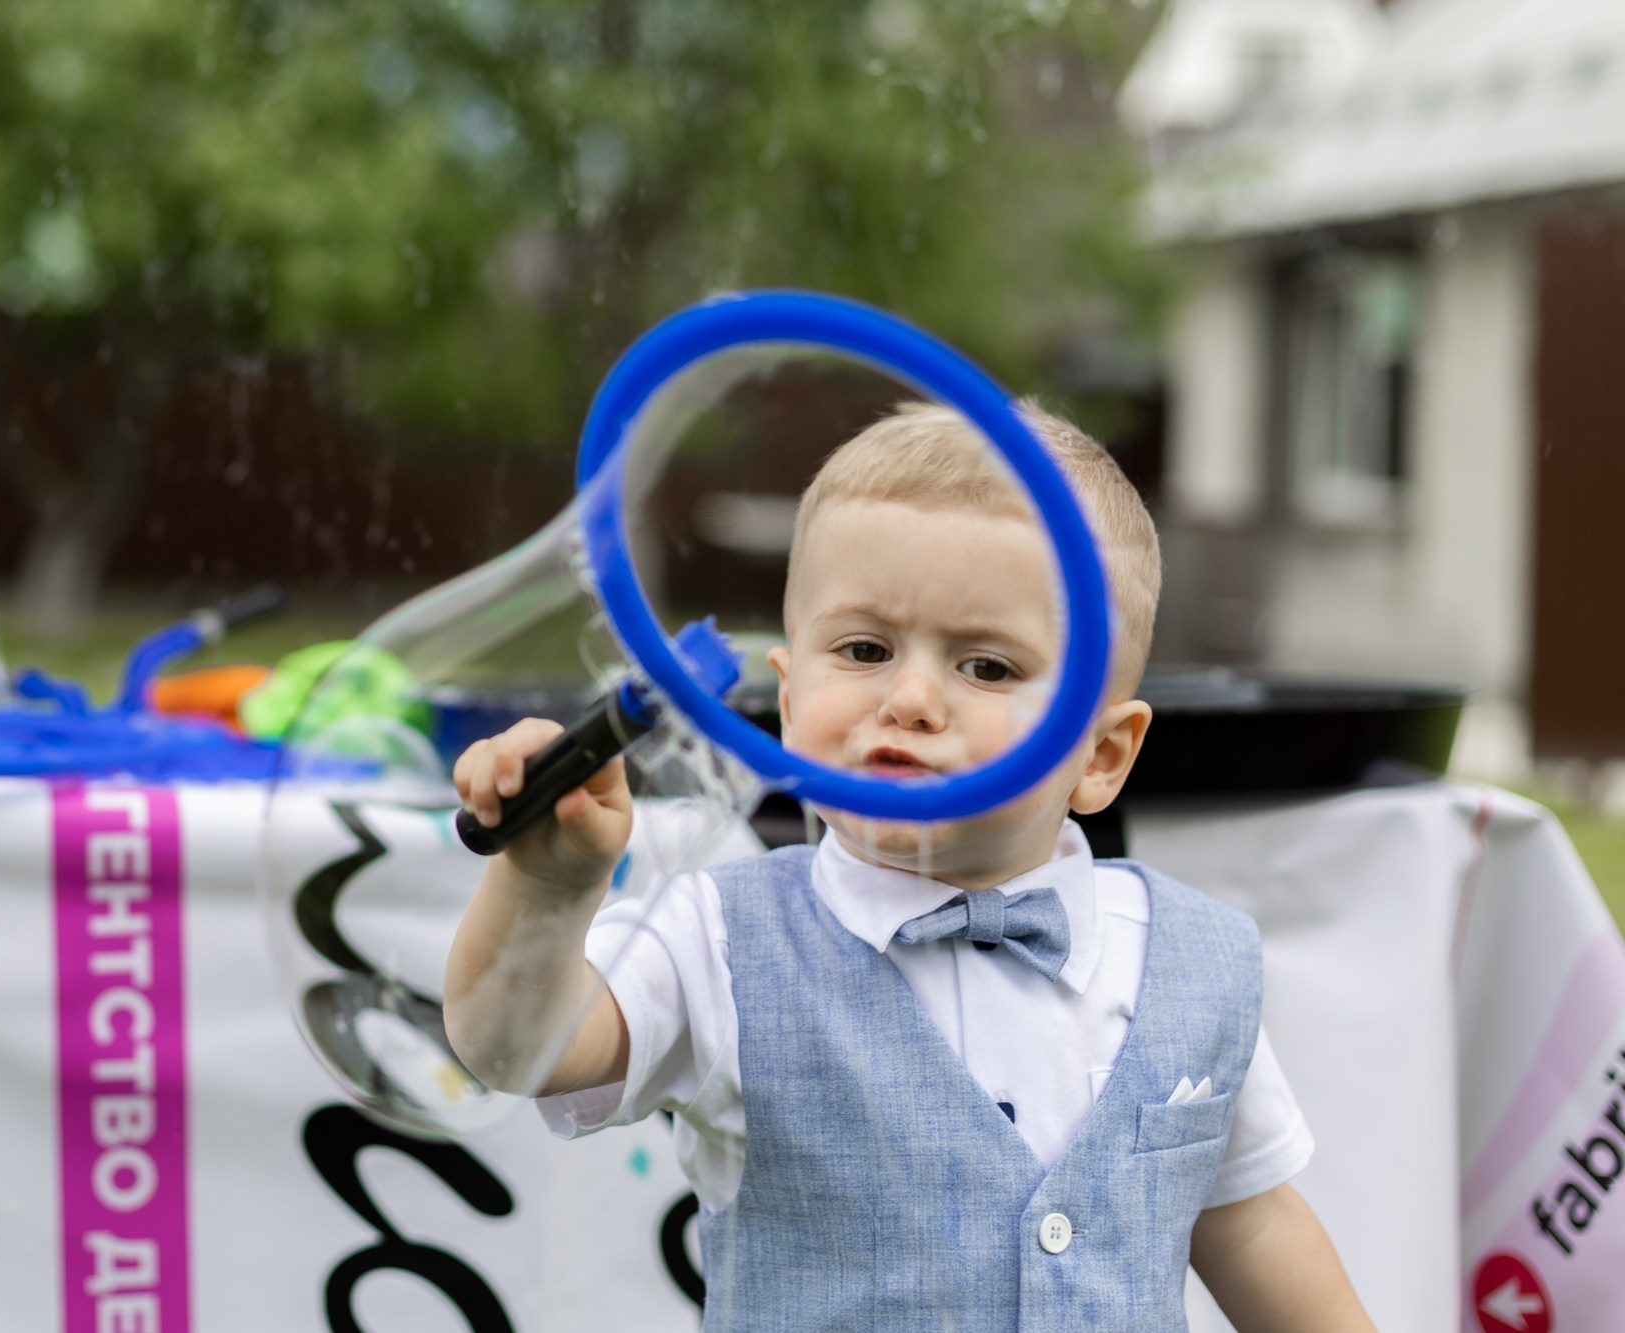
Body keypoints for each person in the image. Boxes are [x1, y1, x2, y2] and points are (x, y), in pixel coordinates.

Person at [445, 402, 1374, 1330]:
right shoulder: (720, 940)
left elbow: (1253, 1228)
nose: (912, 698)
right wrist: (546, 887)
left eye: (988, 667)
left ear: (1102, 757)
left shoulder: (1190, 963)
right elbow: (519, 1047)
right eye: (863, 649)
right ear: (790, 685)